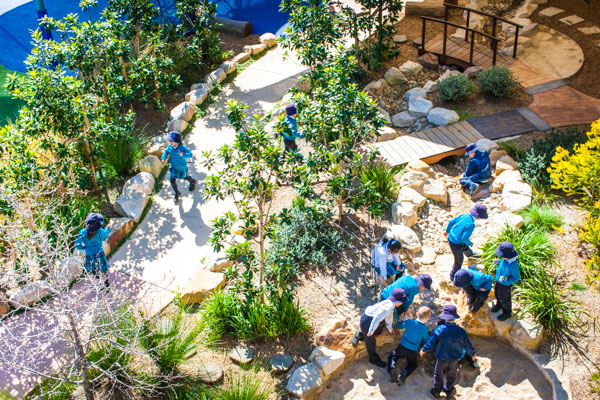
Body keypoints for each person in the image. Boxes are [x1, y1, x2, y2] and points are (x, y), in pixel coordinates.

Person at [421, 304, 476, 398]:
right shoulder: (461, 331)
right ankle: (449, 390)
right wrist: (473, 354)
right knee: (451, 375)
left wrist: (424, 349)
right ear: (454, 318)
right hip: (454, 358)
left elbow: (431, 342)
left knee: (438, 375)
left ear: (445, 317)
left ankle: (436, 391)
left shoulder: (439, 329)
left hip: (441, 358)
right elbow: (467, 344)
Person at [352, 288, 409, 368]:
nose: (402, 303)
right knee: (371, 342)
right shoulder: (389, 306)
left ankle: (362, 334)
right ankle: (373, 359)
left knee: (378, 331)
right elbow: (377, 318)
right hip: (368, 320)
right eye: (402, 301)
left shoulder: (390, 304)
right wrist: (371, 331)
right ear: (398, 301)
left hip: (369, 317)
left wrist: (390, 328)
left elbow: (388, 316)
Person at [388, 306, 431, 386]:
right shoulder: (425, 329)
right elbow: (425, 339)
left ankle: (392, 368)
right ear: (427, 319)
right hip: (412, 351)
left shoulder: (409, 322)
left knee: (393, 356)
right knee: (412, 365)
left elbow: (399, 325)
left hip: (402, 347)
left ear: (417, 314)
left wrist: (399, 319)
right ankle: (405, 372)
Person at [445, 204, 488, 281]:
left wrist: (447, 231)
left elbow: (451, 222)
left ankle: (471, 255)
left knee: (465, 247)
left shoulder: (463, 215)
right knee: (459, 259)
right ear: (479, 217)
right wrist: (470, 243)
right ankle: (453, 275)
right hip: (456, 243)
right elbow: (464, 238)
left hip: (451, 236)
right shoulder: (471, 224)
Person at [75, 213, 111, 288]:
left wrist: (84, 248)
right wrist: (108, 229)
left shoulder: (83, 232)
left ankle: (99, 284)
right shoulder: (100, 231)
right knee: (103, 270)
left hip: (89, 255)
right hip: (99, 254)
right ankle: (106, 285)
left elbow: (78, 245)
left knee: (94, 271)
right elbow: (104, 237)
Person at [161, 131, 196, 204]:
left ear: (176, 141)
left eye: (171, 141)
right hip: (173, 167)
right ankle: (177, 193)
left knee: (185, 177)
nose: (170, 142)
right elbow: (166, 152)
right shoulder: (170, 146)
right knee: (172, 181)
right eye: (169, 140)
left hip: (181, 167)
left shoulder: (182, 147)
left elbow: (190, 154)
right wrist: (163, 158)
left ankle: (192, 181)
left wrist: (183, 154)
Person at [491, 242, 521, 321]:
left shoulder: (513, 265)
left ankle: (507, 313)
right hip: (498, 282)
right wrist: (499, 261)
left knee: (505, 299)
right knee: (497, 294)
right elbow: (504, 263)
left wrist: (506, 281)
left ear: (507, 256)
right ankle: (499, 305)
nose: (501, 256)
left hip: (505, 285)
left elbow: (516, 277)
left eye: (502, 256)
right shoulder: (506, 260)